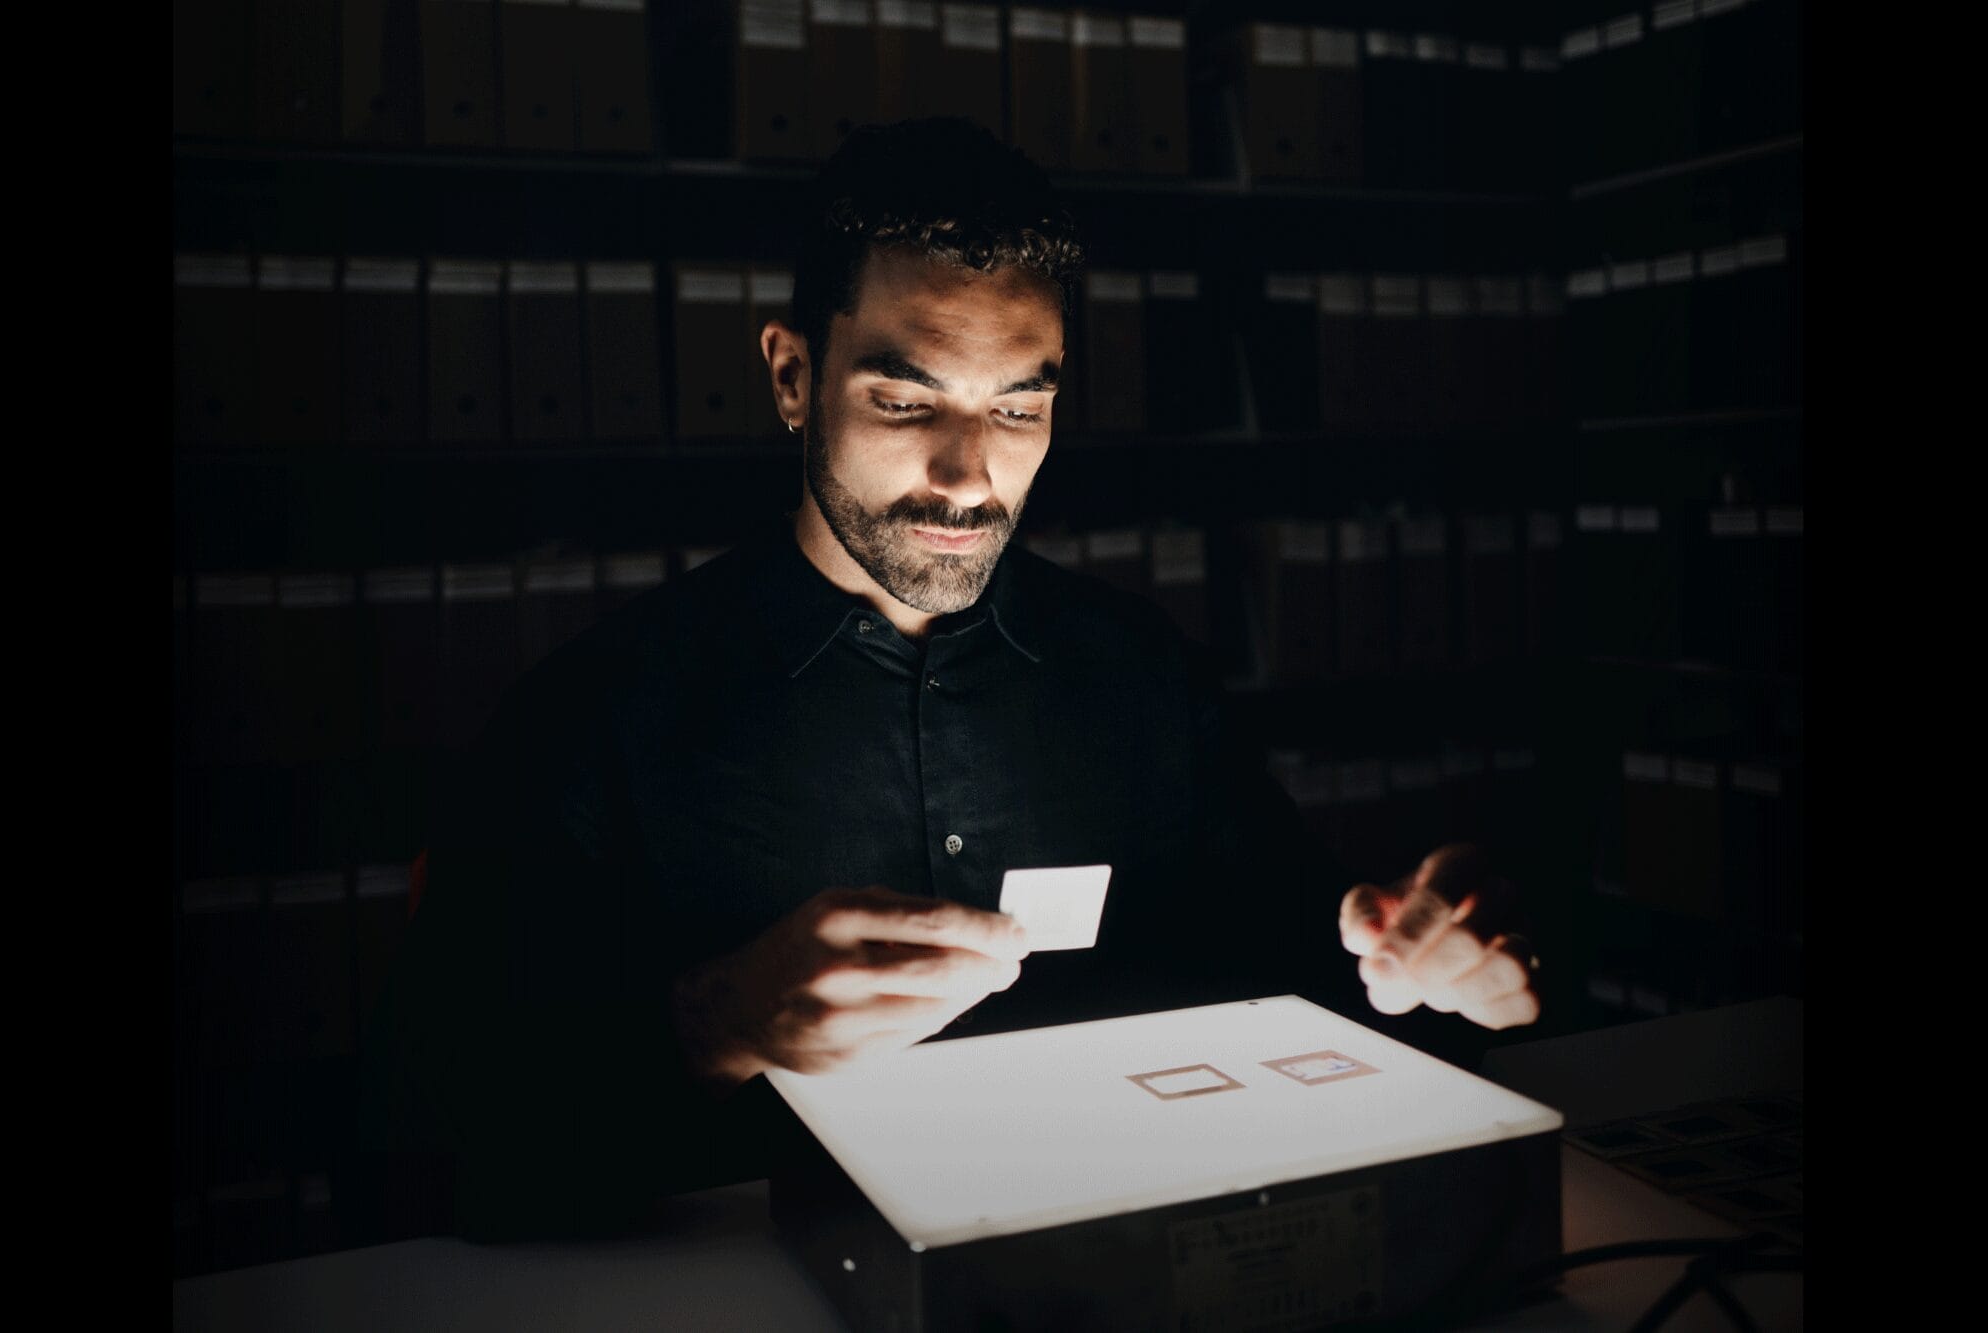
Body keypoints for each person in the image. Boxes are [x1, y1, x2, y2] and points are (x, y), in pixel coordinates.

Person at [356, 117, 1539, 1243]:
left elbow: (1304, 962)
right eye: (905, 399)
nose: (969, 477)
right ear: (788, 376)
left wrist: (1432, 962)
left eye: (1018, 405)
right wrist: (720, 1023)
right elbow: (431, 1143)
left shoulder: (1136, 676)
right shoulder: (595, 714)